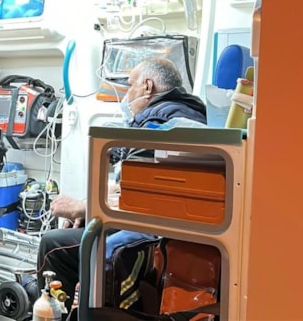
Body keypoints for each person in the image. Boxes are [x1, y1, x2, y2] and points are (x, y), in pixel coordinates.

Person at [37, 57, 207, 309]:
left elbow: (137, 194)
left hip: (150, 230)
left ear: (147, 86)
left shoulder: (160, 124)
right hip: (159, 222)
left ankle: (57, 311)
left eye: (130, 85)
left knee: (53, 244)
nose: (127, 95)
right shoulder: (183, 115)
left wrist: (82, 208)